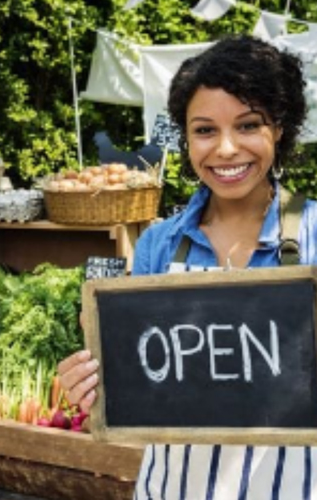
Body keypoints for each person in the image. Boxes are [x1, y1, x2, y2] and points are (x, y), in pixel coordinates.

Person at [58, 33, 317, 414]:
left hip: (291, 472)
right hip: (173, 472)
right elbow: (139, 385)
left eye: (248, 125)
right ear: (187, 138)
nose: (226, 148)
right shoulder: (158, 245)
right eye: (205, 130)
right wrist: (94, 383)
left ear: (278, 128)